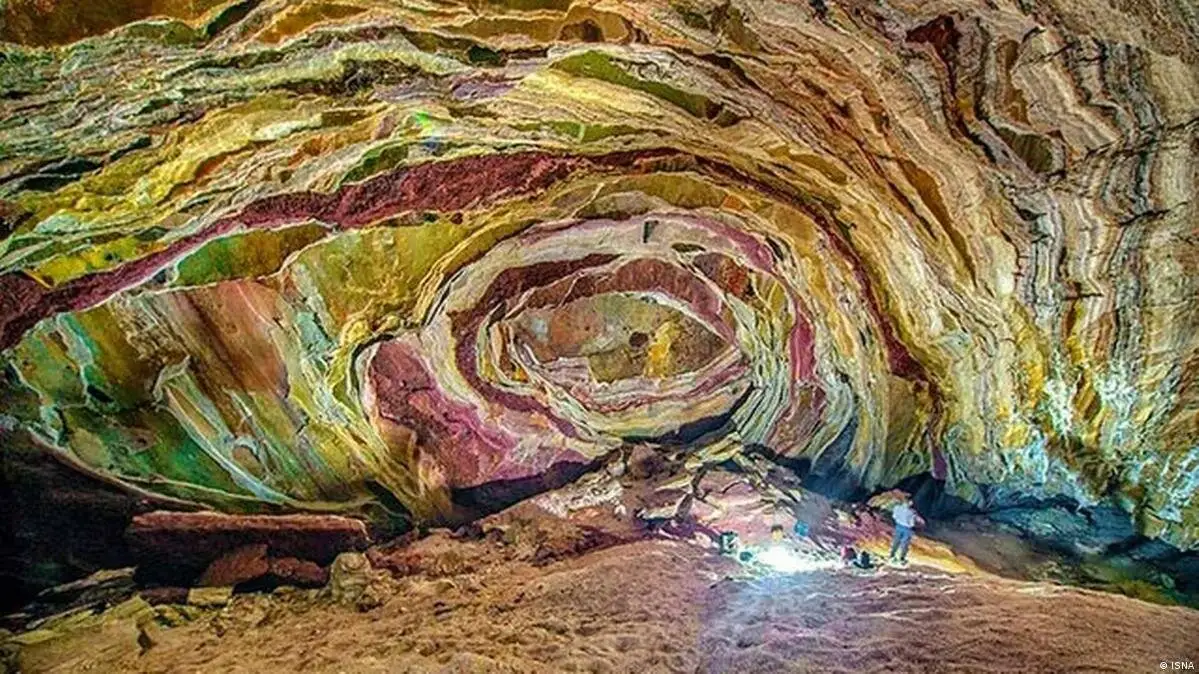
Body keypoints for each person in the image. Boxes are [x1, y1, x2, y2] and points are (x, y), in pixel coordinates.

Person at [889, 494, 921, 565]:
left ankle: (891, 555)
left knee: (896, 541)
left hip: (898, 526)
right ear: (910, 502)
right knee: (904, 544)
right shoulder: (912, 512)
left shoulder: (897, 507)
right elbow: (912, 523)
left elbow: (894, 516)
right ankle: (901, 559)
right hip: (907, 529)